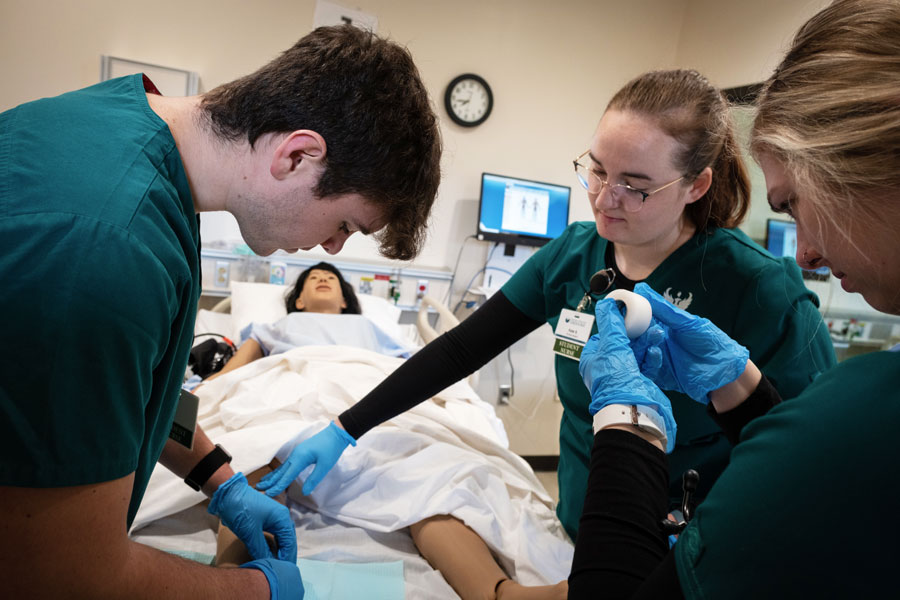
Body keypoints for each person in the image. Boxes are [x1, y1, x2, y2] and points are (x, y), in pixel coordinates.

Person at [257, 67, 835, 594]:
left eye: (635, 185)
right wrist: (345, 427)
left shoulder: (760, 288)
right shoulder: (573, 258)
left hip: (699, 546)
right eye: (597, 170)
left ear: (696, 186)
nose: (605, 199)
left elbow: (808, 463)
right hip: (580, 527)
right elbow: (461, 348)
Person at [0, 24, 441, 599]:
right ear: (298, 155)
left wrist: (219, 478)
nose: (333, 250)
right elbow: (64, 576)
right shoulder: (109, 250)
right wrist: (258, 591)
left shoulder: (119, 121)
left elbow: (127, 389)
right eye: (344, 226)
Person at [569, 0, 900, 596]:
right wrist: (745, 396)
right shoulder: (574, 252)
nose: (805, 256)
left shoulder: (866, 407)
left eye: (796, 203)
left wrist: (628, 422)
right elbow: (803, 483)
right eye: (597, 173)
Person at [205, 261, 568, 600]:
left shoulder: (373, 330)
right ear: (297, 298)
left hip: (366, 394)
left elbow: (415, 373)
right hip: (290, 386)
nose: (322, 278)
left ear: (347, 299)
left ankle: (500, 593)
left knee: (427, 476)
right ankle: (234, 576)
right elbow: (229, 376)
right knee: (254, 456)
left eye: (331, 277)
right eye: (312, 278)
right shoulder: (274, 328)